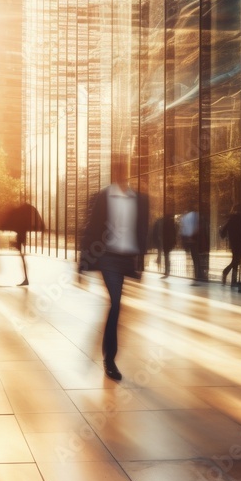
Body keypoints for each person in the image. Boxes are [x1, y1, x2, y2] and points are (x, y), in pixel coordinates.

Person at [79, 153, 149, 381]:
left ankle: (109, 354)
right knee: (116, 303)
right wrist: (82, 263)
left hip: (126, 258)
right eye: (118, 169)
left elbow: (142, 231)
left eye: (125, 169)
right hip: (107, 257)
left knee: (118, 307)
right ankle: (110, 359)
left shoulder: (138, 199)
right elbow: (91, 228)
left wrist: (141, 263)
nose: (122, 173)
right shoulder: (104, 197)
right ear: (114, 172)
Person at [220, 205, 241, 293]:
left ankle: (233, 280)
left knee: (235, 260)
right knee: (236, 260)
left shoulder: (231, 219)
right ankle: (226, 272)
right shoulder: (240, 219)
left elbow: (224, 231)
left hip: (233, 242)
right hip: (238, 242)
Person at [180, 209, 202, 281]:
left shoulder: (186, 218)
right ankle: (198, 274)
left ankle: (197, 274)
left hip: (192, 240)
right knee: (196, 258)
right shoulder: (194, 216)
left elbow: (184, 230)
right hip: (194, 241)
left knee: (195, 258)